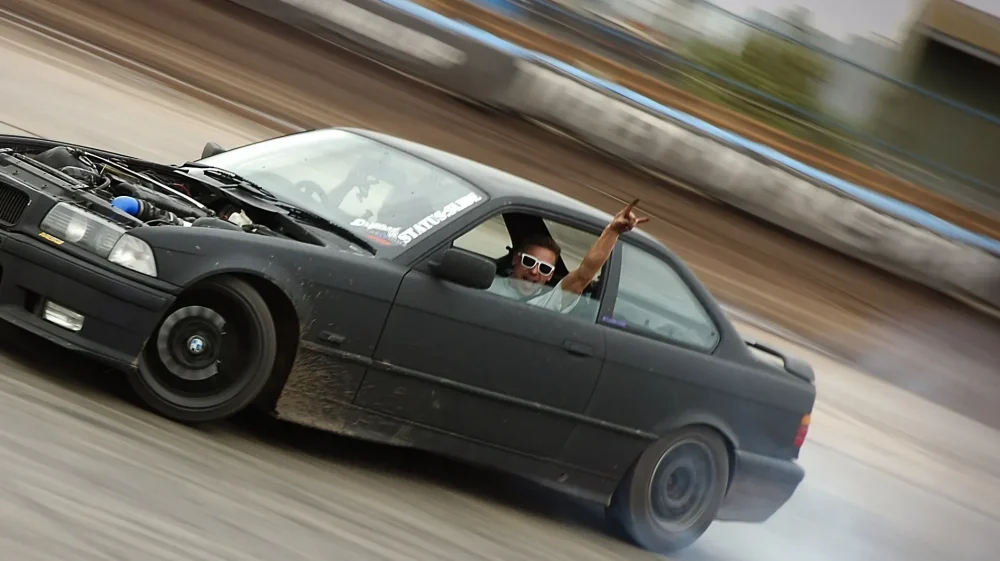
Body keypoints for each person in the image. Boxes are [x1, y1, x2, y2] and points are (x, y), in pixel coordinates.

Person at [487, 199, 649, 313]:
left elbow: (584, 274)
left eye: (544, 268)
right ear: (515, 259)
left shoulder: (548, 302)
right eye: (529, 262)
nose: (534, 271)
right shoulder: (486, 283)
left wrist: (613, 231)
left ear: (550, 276)